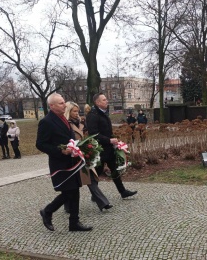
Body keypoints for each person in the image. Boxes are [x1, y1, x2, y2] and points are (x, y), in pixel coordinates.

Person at [36, 93, 92, 232]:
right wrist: (60, 151)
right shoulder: (46, 121)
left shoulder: (64, 119)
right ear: (52, 106)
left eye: (64, 102)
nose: (64, 105)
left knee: (75, 191)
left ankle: (74, 222)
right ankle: (47, 211)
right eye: (61, 103)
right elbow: (41, 144)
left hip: (72, 161)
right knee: (68, 192)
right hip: (60, 164)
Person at [63, 101, 112, 213]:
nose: (77, 113)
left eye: (77, 111)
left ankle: (103, 202)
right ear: (68, 111)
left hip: (83, 155)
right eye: (74, 111)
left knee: (91, 178)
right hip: (72, 157)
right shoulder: (67, 125)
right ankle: (67, 205)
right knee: (70, 184)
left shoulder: (79, 123)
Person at [87, 93, 137, 199]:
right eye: (104, 100)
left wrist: (113, 141)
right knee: (98, 171)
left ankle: (122, 191)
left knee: (114, 169)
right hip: (99, 149)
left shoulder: (104, 113)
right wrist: (109, 140)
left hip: (109, 148)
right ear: (97, 102)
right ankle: (94, 194)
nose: (107, 101)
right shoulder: (93, 115)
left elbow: (106, 130)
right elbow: (93, 134)